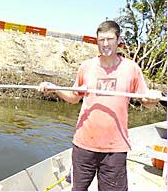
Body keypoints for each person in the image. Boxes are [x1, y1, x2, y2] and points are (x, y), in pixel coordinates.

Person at [38, 20, 162, 191]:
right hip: (83, 145)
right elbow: (74, 97)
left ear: (118, 40)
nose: (105, 44)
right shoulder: (86, 67)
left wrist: (153, 97)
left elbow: (146, 103)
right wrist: (54, 88)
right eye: (101, 40)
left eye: (109, 39)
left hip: (115, 148)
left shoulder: (131, 69)